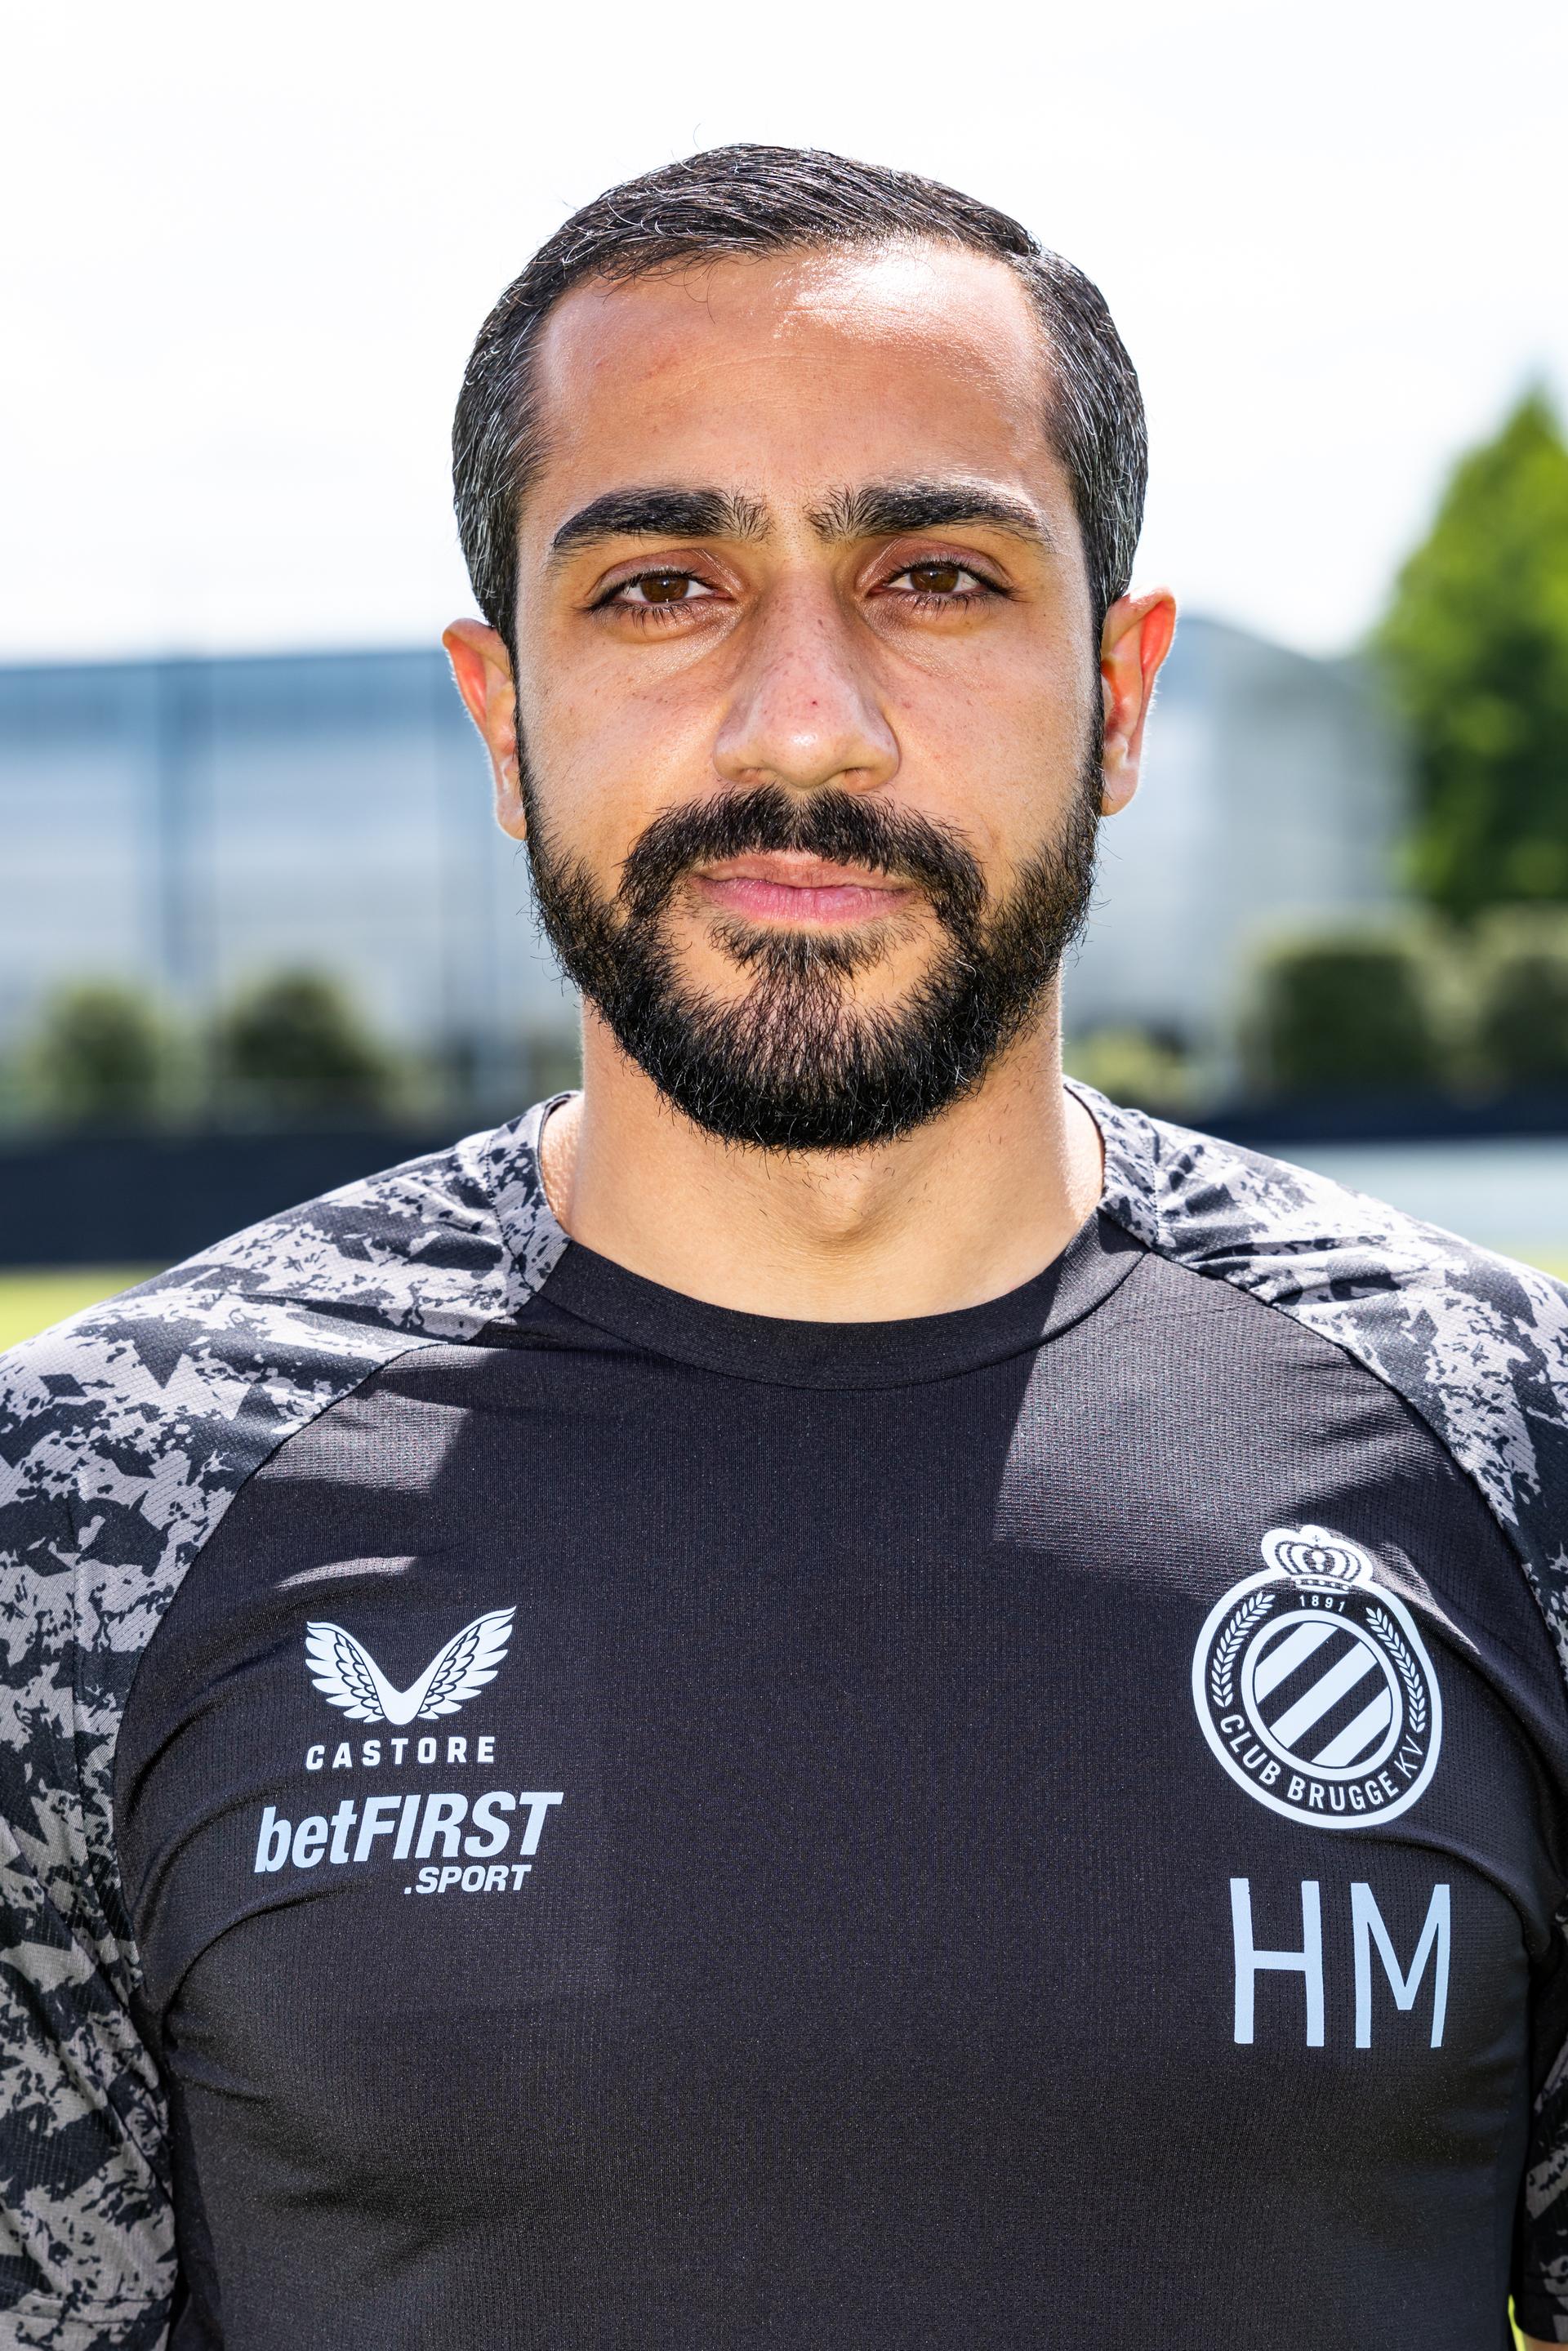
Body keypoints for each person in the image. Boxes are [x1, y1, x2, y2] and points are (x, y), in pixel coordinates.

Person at [3, 144, 1567, 2351]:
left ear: (1120, 693)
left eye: (935, 576)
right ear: (501, 714)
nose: (805, 720)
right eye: (660, 586)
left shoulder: (1518, 1452)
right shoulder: (85, 1508)